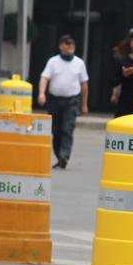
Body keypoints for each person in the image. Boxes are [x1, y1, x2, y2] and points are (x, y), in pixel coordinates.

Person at [37, 34, 89, 169]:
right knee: (56, 130)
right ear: (60, 46)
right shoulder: (53, 62)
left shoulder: (79, 63)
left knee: (67, 128)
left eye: (73, 44)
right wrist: (42, 93)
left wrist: (84, 104)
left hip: (72, 100)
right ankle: (59, 155)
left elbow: (84, 84)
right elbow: (44, 78)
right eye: (67, 43)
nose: (70, 46)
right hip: (55, 100)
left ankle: (64, 155)